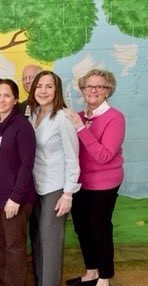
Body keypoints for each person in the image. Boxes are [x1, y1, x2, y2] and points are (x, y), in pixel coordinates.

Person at [64, 69, 125, 286]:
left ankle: (105, 278)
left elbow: (104, 156)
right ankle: (91, 272)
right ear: (82, 89)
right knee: (81, 227)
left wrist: (80, 128)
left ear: (108, 91)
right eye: (88, 86)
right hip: (81, 183)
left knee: (99, 228)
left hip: (104, 183)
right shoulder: (80, 116)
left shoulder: (115, 118)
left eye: (100, 86)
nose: (93, 90)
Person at [27, 70, 81, 286]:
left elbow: (72, 157)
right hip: (35, 186)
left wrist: (68, 194)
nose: (43, 91)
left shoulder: (63, 117)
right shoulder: (32, 114)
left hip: (55, 189)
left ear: (57, 90)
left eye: (49, 86)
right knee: (38, 242)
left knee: (50, 245)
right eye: (39, 86)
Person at [0, 79, 36, 286]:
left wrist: (15, 198)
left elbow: (26, 165)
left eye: (7, 95)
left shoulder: (22, 126)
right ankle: (3, 280)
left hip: (14, 199)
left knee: (14, 245)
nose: (2, 99)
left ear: (15, 100)